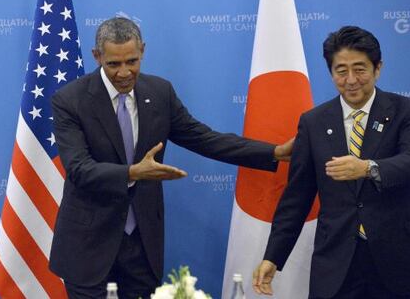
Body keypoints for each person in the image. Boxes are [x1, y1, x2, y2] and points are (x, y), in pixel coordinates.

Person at [48, 17, 293, 299]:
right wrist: (133, 173)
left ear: (143, 50)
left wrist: (272, 152)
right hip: (88, 247)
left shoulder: (159, 93)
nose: (124, 72)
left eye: (132, 61)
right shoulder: (70, 100)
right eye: (113, 64)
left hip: (141, 247)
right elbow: (79, 169)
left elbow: (205, 139)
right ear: (97, 56)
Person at [253, 26, 410, 299]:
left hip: (395, 261)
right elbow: (297, 197)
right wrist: (273, 257)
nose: (350, 80)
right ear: (331, 72)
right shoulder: (314, 122)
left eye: (360, 69)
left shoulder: (403, 111)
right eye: (341, 70)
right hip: (336, 263)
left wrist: (368, 168)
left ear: (378, 68)